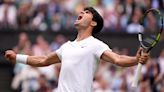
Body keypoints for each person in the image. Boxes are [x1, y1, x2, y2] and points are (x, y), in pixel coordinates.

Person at [5, 7, 149, 92]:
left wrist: (135, 60)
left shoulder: (96, 45)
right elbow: (43, 60)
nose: (81, 12)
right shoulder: (66, 46)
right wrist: (17, 57)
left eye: (87, 12)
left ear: (93, 22)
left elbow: (118, 59)